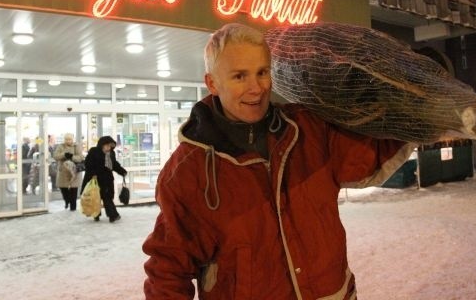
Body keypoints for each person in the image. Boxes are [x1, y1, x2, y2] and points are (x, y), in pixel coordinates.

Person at [142, 23, 414, 299]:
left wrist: (421, 108)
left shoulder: (307, 130)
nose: (256, 88)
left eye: (262, 72)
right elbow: (168, 268)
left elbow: (368, 151)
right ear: (212, 83)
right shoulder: (188, 170)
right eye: (239, 76)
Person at [81, 136, 127, 222]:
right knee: (95, 198)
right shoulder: (94, 151)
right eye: (107, 145)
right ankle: (96, 214)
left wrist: (122, 171)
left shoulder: (111, 153)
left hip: (107, 179)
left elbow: (114, 165)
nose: (109, 148)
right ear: (102, 145)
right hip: (95, 179)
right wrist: (93, 174)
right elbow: (88, 163)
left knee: (107, 197)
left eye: (110, 146)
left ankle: (113, 215)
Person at [53, 133, 84, 210]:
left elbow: (80, 158)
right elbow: (55, 156)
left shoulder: (76, 146)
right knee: (63, 188)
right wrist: (64, 155)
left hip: (74, 171)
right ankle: (67, 201)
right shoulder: (60, 146)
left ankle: (73, 207)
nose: (68, 141)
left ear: (72, 139)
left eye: (69, 139)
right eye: (66, 139)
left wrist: (72, 156)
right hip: (63, 171)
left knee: (74, 190)